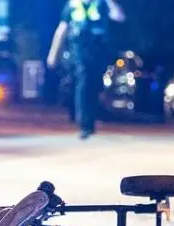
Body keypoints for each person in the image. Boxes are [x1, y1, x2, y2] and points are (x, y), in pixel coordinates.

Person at [47, 0, 125, 139]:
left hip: (98, 49)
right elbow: (62, 29)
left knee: (95, 84)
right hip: (79, 48)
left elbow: (119, 17)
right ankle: (84, 124)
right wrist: (53, 54)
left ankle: (90, 121)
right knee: (83, 81)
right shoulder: (72, 5)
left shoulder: (101, 3)